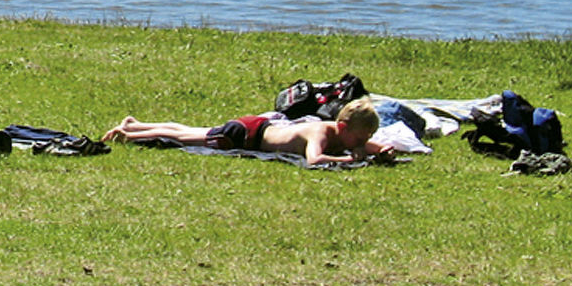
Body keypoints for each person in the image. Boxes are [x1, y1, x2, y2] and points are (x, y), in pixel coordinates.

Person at [103, 98, 385, 166]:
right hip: (246, 135)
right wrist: (349, 160)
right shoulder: (319, 134)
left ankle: (135, 123)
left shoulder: (342, 133)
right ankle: (128, 135)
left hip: (258, 126)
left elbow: (367, 145)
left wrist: (380, 151)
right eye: (360, 139)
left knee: (192, 129)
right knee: (187, 138)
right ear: (343, 128)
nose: (363, 144)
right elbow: (314, 160)